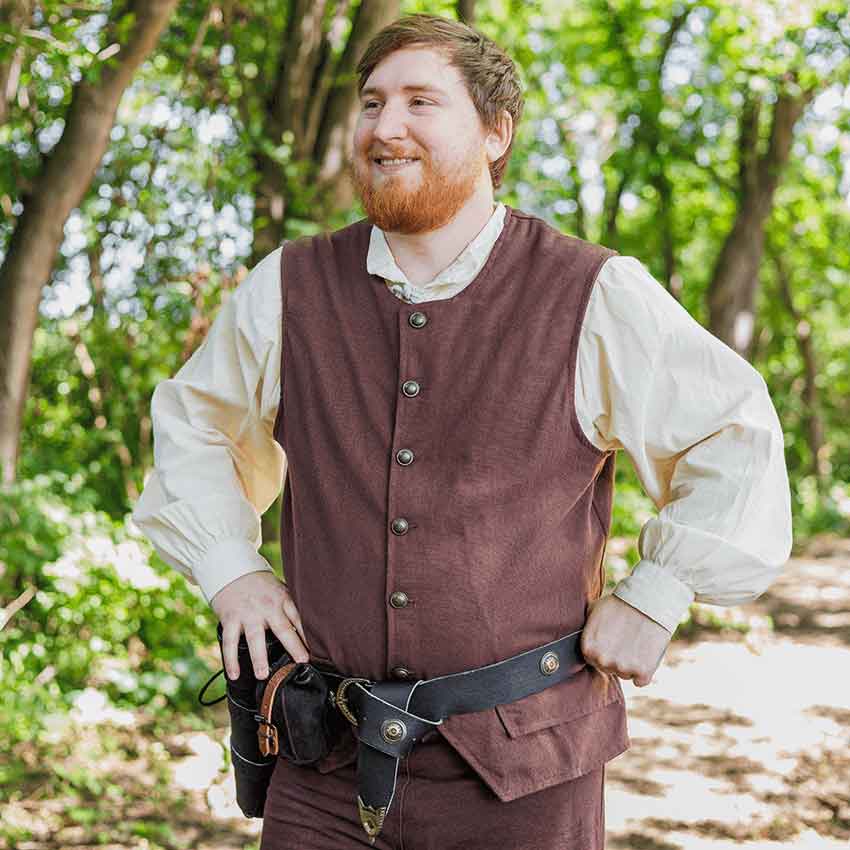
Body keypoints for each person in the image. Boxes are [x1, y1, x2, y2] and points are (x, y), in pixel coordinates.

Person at [131, 13, 793, 850]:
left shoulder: (593, 292)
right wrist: (231, 569)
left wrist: (656, 592)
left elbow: (734, 430)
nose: (386, 126)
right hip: (323, 764)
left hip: (526, 773)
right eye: (373, 102)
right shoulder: (289, 286)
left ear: (494, 132)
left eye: (420, 101)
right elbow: (193, 423)